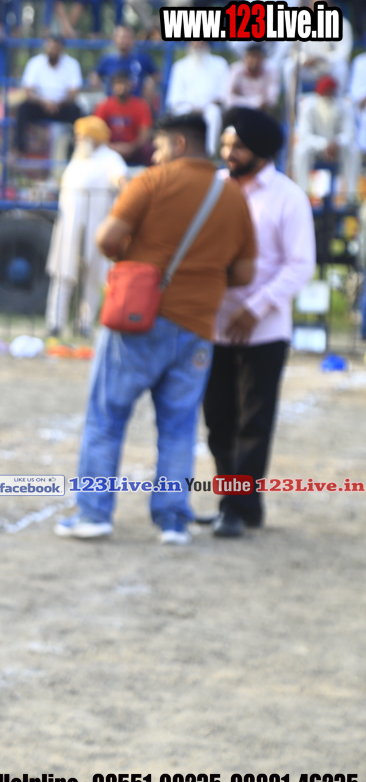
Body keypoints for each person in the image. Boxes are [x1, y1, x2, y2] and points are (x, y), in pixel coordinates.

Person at [55, 114, 256, 546]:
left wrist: (139, 257)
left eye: (160, 148)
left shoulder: (151, 181)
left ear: (179, 144)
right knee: (179, 427)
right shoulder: (233, 196)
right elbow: (243, 273)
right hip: (198, 325)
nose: (156, 156)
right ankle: (173, 520)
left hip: (138, 319)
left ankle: (94, 514)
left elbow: (107, 239)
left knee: (107, 417)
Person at [203, 108, 315, 539]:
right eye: (225, 144)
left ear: (261, 151)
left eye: (238, 146)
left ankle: (235, 506)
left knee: (253, 422)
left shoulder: (287, 196)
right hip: (213, 325)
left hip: (264, 331)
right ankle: (238, 503)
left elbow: (300, 264)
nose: (228, 153)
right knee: (217, 419)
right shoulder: (213, 187)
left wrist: (255, 308)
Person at [44, 116, 128, 338]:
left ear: (94, 138)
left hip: (96, 226)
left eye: (81, 136)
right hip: (69, 226)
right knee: (63, 272)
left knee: (92, 275)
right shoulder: (79, 158)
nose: (78, 140)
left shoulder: (111, 159)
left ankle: (85, 324)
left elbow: (122, 182)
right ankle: (55, 322)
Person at [293, 75, 359, 202]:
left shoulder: (344, 105)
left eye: (331, 91)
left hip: (338, 149)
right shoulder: (308, 106)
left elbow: (350, 133)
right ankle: (303, 195)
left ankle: (351, 196)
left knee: (354, 150)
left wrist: (337, 142)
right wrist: (324, 144)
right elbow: (305, 135)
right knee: (301, 151)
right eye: (326, 91)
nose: (328, 95)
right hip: (316, 149)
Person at [15, 36, 82, 155]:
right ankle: (19, 149)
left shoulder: (72, 64)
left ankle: (74, 150)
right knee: (23, 109)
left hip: (62, 107)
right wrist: (44, 102)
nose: (52, 51)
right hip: (40, 106)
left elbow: (73, 94)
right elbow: (29, 91)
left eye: (55, 48)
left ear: (61, 49)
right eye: (50, 47)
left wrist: (57, 104)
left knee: (77, 112)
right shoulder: (35, 63)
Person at [165, 43, 230, 156]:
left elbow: (224, 93)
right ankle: (182, 152)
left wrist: (211, 103)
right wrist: (192, 107)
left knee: (213, 113)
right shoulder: (180, 66)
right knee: (182, 113)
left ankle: (208, 154)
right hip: (186, 107)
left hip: (210, 107)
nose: (198, 44)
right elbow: (174, 97)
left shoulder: (220, 63)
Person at [93, 70, 154, 166]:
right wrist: (110, 147)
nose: (121, 87)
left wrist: (130, 147)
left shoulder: (141, 106)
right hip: (109, 147)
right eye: (118, 83)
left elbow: (145, 135)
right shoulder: (103, 105)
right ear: (112, 86)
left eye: (124, 83)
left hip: (134, 148)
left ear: (130, 85)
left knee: (149, 149)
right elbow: (96, 131)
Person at [92, 25, 157, 100]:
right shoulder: (107, 60)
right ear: (114, 39)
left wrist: (150, 82)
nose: (124, 40)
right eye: (121, 37)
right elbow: (95, 75)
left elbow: (156, 75)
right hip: (113, 103)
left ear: (133, 39)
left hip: (136, 102)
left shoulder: (142, 58)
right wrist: (96, 82)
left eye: (127, 37)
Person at [225, 43, 280, 113]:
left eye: (257, 56)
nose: (254, 60)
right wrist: (256, 101)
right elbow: (228, 99)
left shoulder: (272, 69)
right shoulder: (236, 69)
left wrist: (240, 99)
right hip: (241, 112)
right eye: (252, 56)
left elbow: (272, 100)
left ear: (263, 58)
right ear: (245, 58)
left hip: (262, 113)